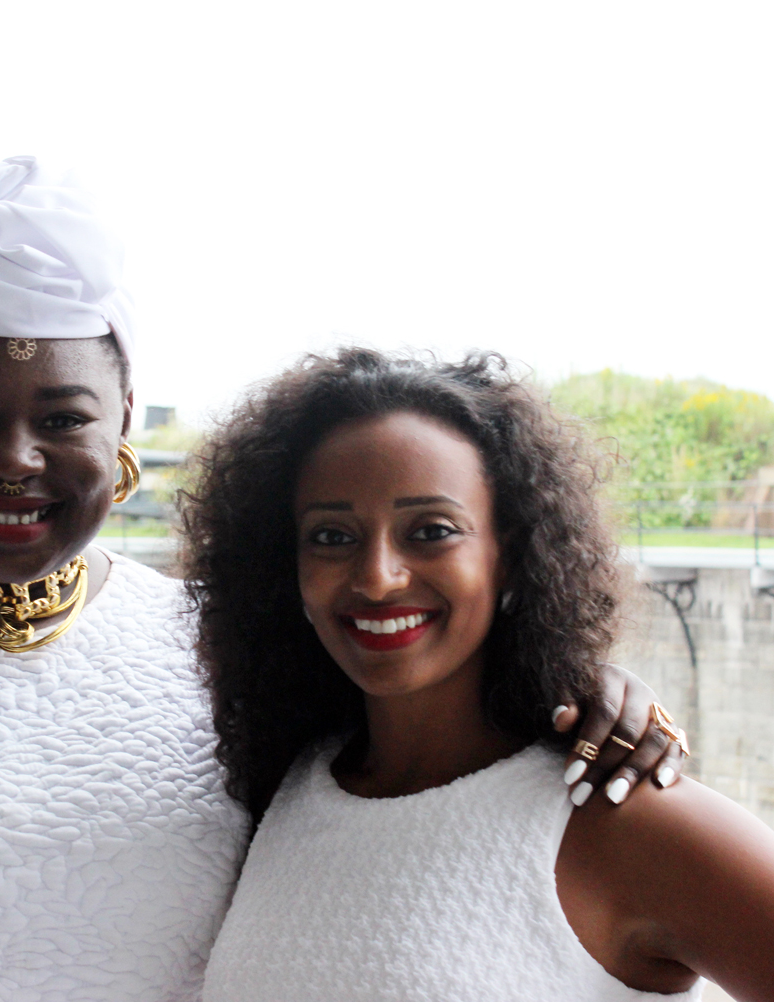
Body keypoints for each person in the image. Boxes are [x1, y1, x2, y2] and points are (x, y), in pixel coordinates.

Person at [0, 161, 681, 1002]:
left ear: (123, 431)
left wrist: (572, 689)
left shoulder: (219, 649)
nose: (14, 457)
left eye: (64, 417)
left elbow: (412, 737)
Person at [190, 349, 774, 1002]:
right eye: (331, 537)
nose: (378, 577)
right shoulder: (284, 787)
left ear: (513, 556)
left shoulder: (618, 815)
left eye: (431, 531)